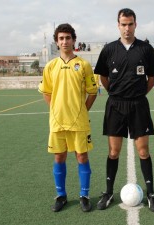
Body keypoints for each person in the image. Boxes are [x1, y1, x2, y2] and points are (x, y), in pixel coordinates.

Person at [94, 8, 154, 212]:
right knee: (113, 151)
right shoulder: (109, 49)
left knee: (143, 151)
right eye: (123, 24)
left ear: (135, 24)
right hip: (115, 104)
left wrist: (138, 93)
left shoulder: (146, 49)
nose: (127, 28)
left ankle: (151, 194)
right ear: (118, 25)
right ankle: (108, 192)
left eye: (130, 24)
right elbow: (103, 78)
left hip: (139, 104)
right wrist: (115, 93)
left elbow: (151, 79)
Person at [38, 23, 98, 213]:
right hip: (57, 122)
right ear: (56, 42)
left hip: (79, 122)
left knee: (81, 156)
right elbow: (46, 92)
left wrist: (83, 111)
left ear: (74, 40)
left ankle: (84, 195)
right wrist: (55, 110)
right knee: (59, 157)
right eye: (61, 38)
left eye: (68, 38)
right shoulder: (50, 66)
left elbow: (92, 92)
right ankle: (61, 195)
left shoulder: (84, 65)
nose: (65, 41)